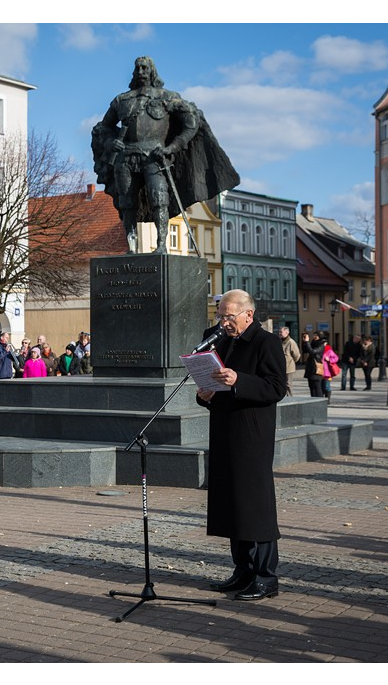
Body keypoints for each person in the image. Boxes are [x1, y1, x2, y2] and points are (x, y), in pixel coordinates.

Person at [92, 56, 239, 253]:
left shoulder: (167, 97)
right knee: (127, 203)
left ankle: (161, 246)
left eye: (145, 68)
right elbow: (104, 127)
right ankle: (132, 248)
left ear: (152, 71)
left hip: (154, 156)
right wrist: (111, 141)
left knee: (159, 199)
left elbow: (191, 123)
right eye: (138, 68)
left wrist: (172, 147)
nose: (141, 71)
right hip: (126, 158)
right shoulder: (122, 100)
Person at [195, 289, 286, 601]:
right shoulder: (217, 338)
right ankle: (243, 570)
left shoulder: (267, 342)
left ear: (249, 314)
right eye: (220, 315)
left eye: (229, 316)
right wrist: (204, 394)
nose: (224, 322)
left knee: (254, 503)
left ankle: (266, 576)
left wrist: (239, 381)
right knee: (231, 501)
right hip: (223, 428)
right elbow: (211, 381)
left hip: (252, 433)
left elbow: (276, 388)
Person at [279, 327, 301, 395]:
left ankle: (290, 398)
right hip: (281, 367)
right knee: (281, 384)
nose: (279, 333)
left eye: (281, 332)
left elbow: (297, 355)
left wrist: (291, 362)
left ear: (287, 333)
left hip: (289, 368)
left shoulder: (291, 342)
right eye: (279, 332)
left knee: (288, 384)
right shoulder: (279, 341)